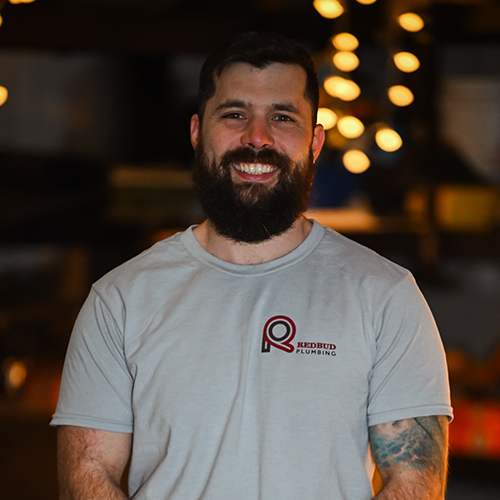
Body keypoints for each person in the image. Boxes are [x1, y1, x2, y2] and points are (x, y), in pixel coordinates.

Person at [51, 32, 452, 500]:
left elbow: (415, 481)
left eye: (282, 117)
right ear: (197, 132)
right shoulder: (120, 299)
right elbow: (88, 472)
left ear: (315, 142)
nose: (257, 138)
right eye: (235, 114)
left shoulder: (385, 295)